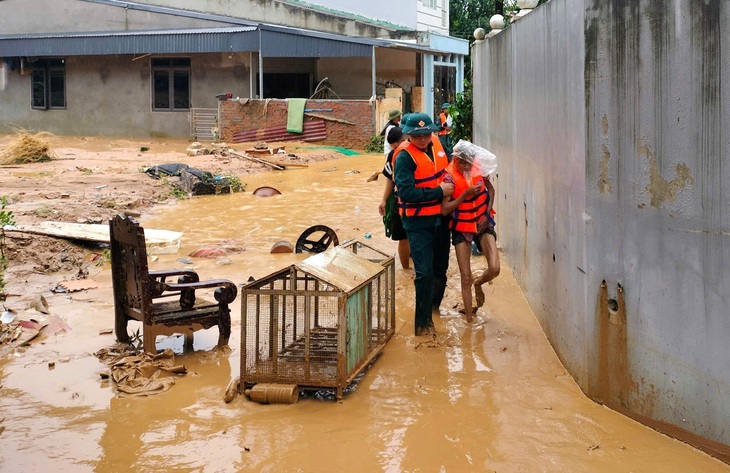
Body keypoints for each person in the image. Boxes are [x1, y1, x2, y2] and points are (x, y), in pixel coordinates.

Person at [393, 112, 454, 336]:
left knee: (440, 269)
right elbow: (407, 192)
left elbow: (452, 166)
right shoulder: (403, 158)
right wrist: (439, 191)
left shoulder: (438, 144)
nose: (423, 138)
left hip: (441, 218)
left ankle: (434, 309)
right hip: (418, 222)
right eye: (417, 135)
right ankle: (423, 325)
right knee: (424, 272)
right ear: (408, 135)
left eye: (426, 133)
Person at [440, 146, 500, 322]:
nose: (467, 168)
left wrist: (487, 214)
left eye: (469, 164)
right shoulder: (449, 177)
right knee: (465, 276)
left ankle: (479, 283)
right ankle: (469, 322)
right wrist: (464, 195)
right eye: (463, 163)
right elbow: (444, 210)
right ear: (456, 160)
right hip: (461, 227)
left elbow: (492, 191)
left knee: (495, 268)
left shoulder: (479, 170)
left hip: (482, 223)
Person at [378, 127, 411, 269]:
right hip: (399, 202)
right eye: (394, 147)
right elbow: (389, 180)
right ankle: (406, 269)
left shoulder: (418, 152)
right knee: (403, 238)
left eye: (398, 145)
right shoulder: (393, 155)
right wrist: (384, 200)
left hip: (417, 201)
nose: (397, 149)